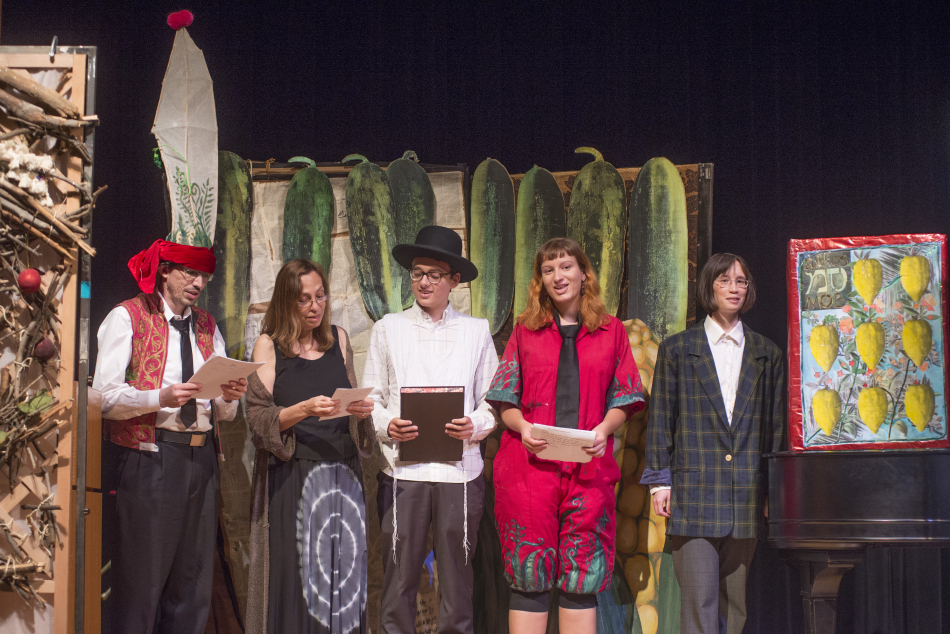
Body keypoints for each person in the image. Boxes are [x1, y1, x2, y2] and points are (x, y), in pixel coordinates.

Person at [486, 237, 644, 634]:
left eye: (566, 266)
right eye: (548, 269)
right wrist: (523, 428)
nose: (558, 276)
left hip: (588, 470)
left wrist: (604, 429)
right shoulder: (526, 332)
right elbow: (505, 399)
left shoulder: (611, 332)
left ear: (583, 273)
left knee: (581, 579)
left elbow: (624, 398)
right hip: (530, 470)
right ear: (540, 279)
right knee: (530, 576)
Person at [93, 238, 248, 634]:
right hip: (151, 457)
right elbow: (103, 398)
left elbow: (222, 412)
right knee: (141, 582)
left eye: (204, 277)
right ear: (165, 271)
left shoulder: (207, 325)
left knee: (192, 582)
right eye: (190, 273)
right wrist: (158, 397)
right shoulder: (128, 317)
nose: (198, 283)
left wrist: (229, 397)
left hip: (201, 459)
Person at [362, 225, 499, 634]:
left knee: (457, 583)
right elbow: (370, 398)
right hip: (403, 472)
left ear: (453, 280)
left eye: (434, 275)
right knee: (399, 580)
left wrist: (474, 424)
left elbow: (493, 401)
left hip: (460, 472)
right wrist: (388, 424)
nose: (423, 282)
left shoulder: (476, 330)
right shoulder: (388, 328)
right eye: (417, 273)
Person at [640, 253, 785, 634]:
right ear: (709, 286)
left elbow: (774, 429)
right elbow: (662, 418)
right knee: (699, 605)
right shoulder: (678, 349)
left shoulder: (767, 353)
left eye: (741, 281)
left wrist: (772, 489)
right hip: (694, 493)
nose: (734, 288)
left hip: (746, 494)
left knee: (735, 608)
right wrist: (659, 481)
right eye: (725, 280)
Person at [245, 258, 375, 634]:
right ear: (287, 301)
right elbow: (258, 421)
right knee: (298, 580)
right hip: (294, 478)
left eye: (320, 296)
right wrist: (302, 409)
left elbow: (351, 408)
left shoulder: (339, 339)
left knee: (344, 578)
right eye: (304, 299)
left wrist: (360, 411)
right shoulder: (269, 347)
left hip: (343, 476)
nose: (315, 306)